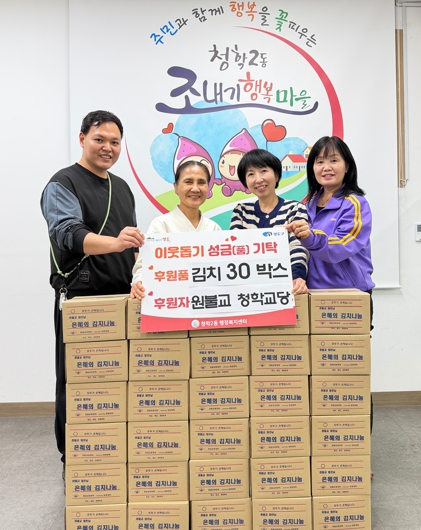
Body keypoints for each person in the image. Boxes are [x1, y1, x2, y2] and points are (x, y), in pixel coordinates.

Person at [41, 110, 144, 470]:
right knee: (78, 380)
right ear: (83, 138)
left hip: (123, 298)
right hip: (82, 299)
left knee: (121, 381)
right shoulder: (63, 183)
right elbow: (67, 233)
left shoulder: (123, 187)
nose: (107, 147)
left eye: (115, 142)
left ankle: (115, 455)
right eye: (99, 139)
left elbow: (131, 246)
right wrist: (115, 244)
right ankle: (75, 457)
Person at [285, 136, 374, 295]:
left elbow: (340, 246)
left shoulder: (355, 204)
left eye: (333, 160)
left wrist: (309, 236)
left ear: (347, 166)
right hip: (311, 292)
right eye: (320, 162)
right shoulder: (307, 206)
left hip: (350, 292)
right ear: (313, 168)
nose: (326, 167)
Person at [131, 160, 221, 299]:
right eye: (188, 182)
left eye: (201, 182)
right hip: (171, 299)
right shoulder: (161, 224)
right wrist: (139, 283)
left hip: (206, 299)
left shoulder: (214, 228)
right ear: (176, 187)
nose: (195, 188)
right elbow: (143, 267)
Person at [229, 148, 309, 295]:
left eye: (263, 171)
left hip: (285, 288)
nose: (258, 179)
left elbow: (297, 247)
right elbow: (235, 251)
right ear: (245, 182)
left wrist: (297, 277)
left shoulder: (295, 208)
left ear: (276, 175)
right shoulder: (241, 211)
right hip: (249, 290)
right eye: (251, 174)